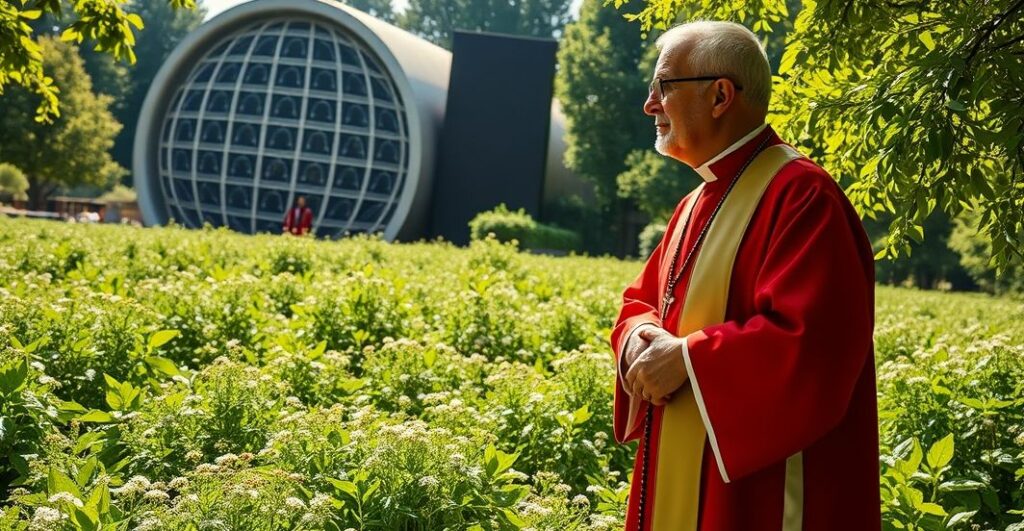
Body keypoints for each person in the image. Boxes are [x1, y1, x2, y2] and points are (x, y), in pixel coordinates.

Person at [610, 21, 879, 530]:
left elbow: (812, 347)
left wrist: (689, 359)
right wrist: (640, 338)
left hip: (762, 498)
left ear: (720, 96)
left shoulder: (803, 197)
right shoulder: (693, 205)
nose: (650, 105)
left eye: (663, 86)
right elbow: (640, 303)